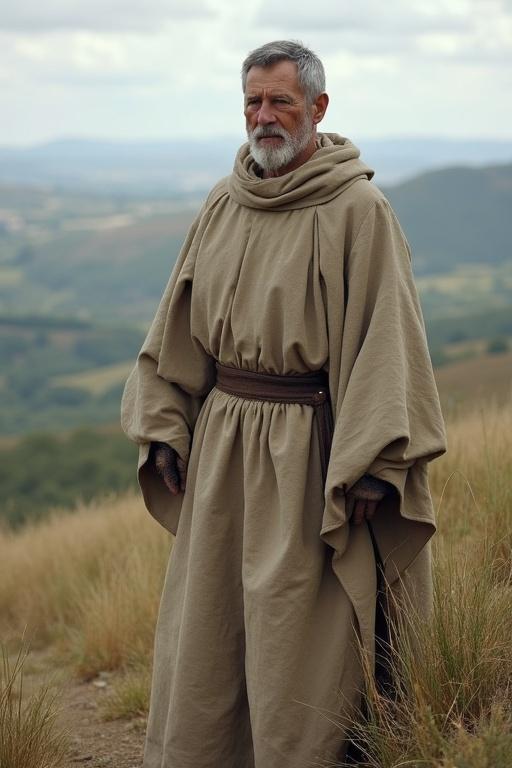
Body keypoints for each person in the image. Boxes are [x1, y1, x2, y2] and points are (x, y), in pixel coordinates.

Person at [121, 39, 447, 768]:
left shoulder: (359, 209)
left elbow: (387, 341)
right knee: (212, 630)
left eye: (280, 102)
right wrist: (167, 428)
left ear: (318, 109)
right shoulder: (223, 201)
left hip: (311, 458)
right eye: (252, 103)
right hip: (222, 455)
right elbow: (176, 326)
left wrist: (372, 463)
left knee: (293, 629)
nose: (263, 118)